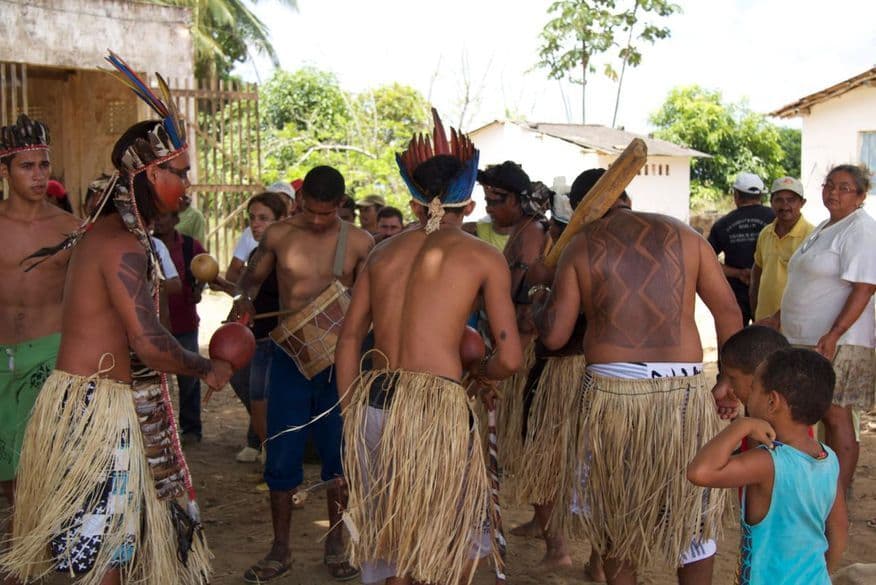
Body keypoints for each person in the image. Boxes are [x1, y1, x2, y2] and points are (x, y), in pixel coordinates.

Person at [1, 52, 232, 585]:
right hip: (91, 409)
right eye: (180, 174)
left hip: (93, 403)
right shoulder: (120, 243)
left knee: (112, 549)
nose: (188, 186)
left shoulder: (116, 235)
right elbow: (148, 342)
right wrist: (207, 368)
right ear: (150, 172)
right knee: (103, 553)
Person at [336, 109, 523, 585]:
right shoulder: (484, 256)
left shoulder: (381, 253)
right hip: (435, 410)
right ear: (470, 204)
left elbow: (350, 336)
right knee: (445, 541)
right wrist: (481, 373)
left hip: (375, 404)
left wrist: (350, 409)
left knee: (393, 535)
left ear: (414, 203)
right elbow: (510, 357)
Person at [532, 167, 743, 585]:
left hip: (611, 394)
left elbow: (555, 336)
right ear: (625, 196)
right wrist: (728, 379)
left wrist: (540, 297)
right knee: (691, 517)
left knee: (616, 520)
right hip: (682, 390)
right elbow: (729, 311)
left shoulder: (580, 246)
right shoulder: (686, 236)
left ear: (579, 208)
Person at [233, 166, 373, 582]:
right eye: (310, 210)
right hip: (289, 360)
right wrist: (244, 301)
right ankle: (280, 549)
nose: (316, 220)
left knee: (339, 454)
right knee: (281, 451)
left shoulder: (360, 242)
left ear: (341, 205)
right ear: (299, 201)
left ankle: (336, 544)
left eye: (326, 213)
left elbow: (372, 301)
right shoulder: (278, 235)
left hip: (340, 363)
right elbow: (250, 281)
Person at [687, 348, 848, 584]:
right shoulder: (829, 457)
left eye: (753, 389)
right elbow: (839, 529)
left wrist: (741, 426)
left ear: (772, 401)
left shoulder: (768, 463)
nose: (747, 395)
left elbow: (699, 472)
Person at [764, 164, 876, 495]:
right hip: (807, 340)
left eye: (844, 188)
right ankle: (815, 489)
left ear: (861, 196)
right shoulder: (826, 226)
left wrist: (835, 333)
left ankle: (837, 496)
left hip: (838, 341)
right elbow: (807, 283)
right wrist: (778, 317)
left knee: (835, 415)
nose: (833, 192)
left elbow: (865, 287)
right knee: (808, 411)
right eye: (829, 185)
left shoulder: (860, 229)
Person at [0, 114, 79, 509]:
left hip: (49, 354)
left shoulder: (71, 229)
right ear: (5, 171)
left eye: (44, 165)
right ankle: (22, 534)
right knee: (7, 472)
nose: (37, 175)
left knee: (42, 460)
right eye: (26, 166)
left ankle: (34, 537)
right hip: (1, 357)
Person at [215, 191, 288, 464]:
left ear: (282, 220)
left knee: (268, 402)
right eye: (252, 218)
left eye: (263, 218)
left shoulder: (290, 255)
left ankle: (274, 459)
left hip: (279, 342)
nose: (255, 224)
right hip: (257, 339)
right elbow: (245, 295)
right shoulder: (258, 253)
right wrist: (226, 287)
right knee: (255, 398)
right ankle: (266, 452)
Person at [152, 211, 208, 444]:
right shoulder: (146, 244)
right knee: (156, 380)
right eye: (156, 216)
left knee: (188, 377)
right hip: (154, 324)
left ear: (175, 220)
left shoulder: (190, 246)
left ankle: (191, 428)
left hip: (184, 321)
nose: (159, 220)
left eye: (164, 216)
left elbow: (207, 267)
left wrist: (198, 289)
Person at [708, 172, 775, 325]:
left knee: (736, 337)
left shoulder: (722, 224)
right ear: (761, 196)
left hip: (736, 296)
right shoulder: (776, 219)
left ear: (736, 195)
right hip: (768, 294)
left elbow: (707, 261)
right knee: (768, 336)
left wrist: (738, 273)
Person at [749, 177, 813, 321]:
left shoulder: (812, 236)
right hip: (765, 320)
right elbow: (757, 272)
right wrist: (755, 311)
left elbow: (813, 285)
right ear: (771, 202)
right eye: (779, 200)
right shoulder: (765, 233)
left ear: (802, 203)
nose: (785, 206)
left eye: (791, 200)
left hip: (797, 322)